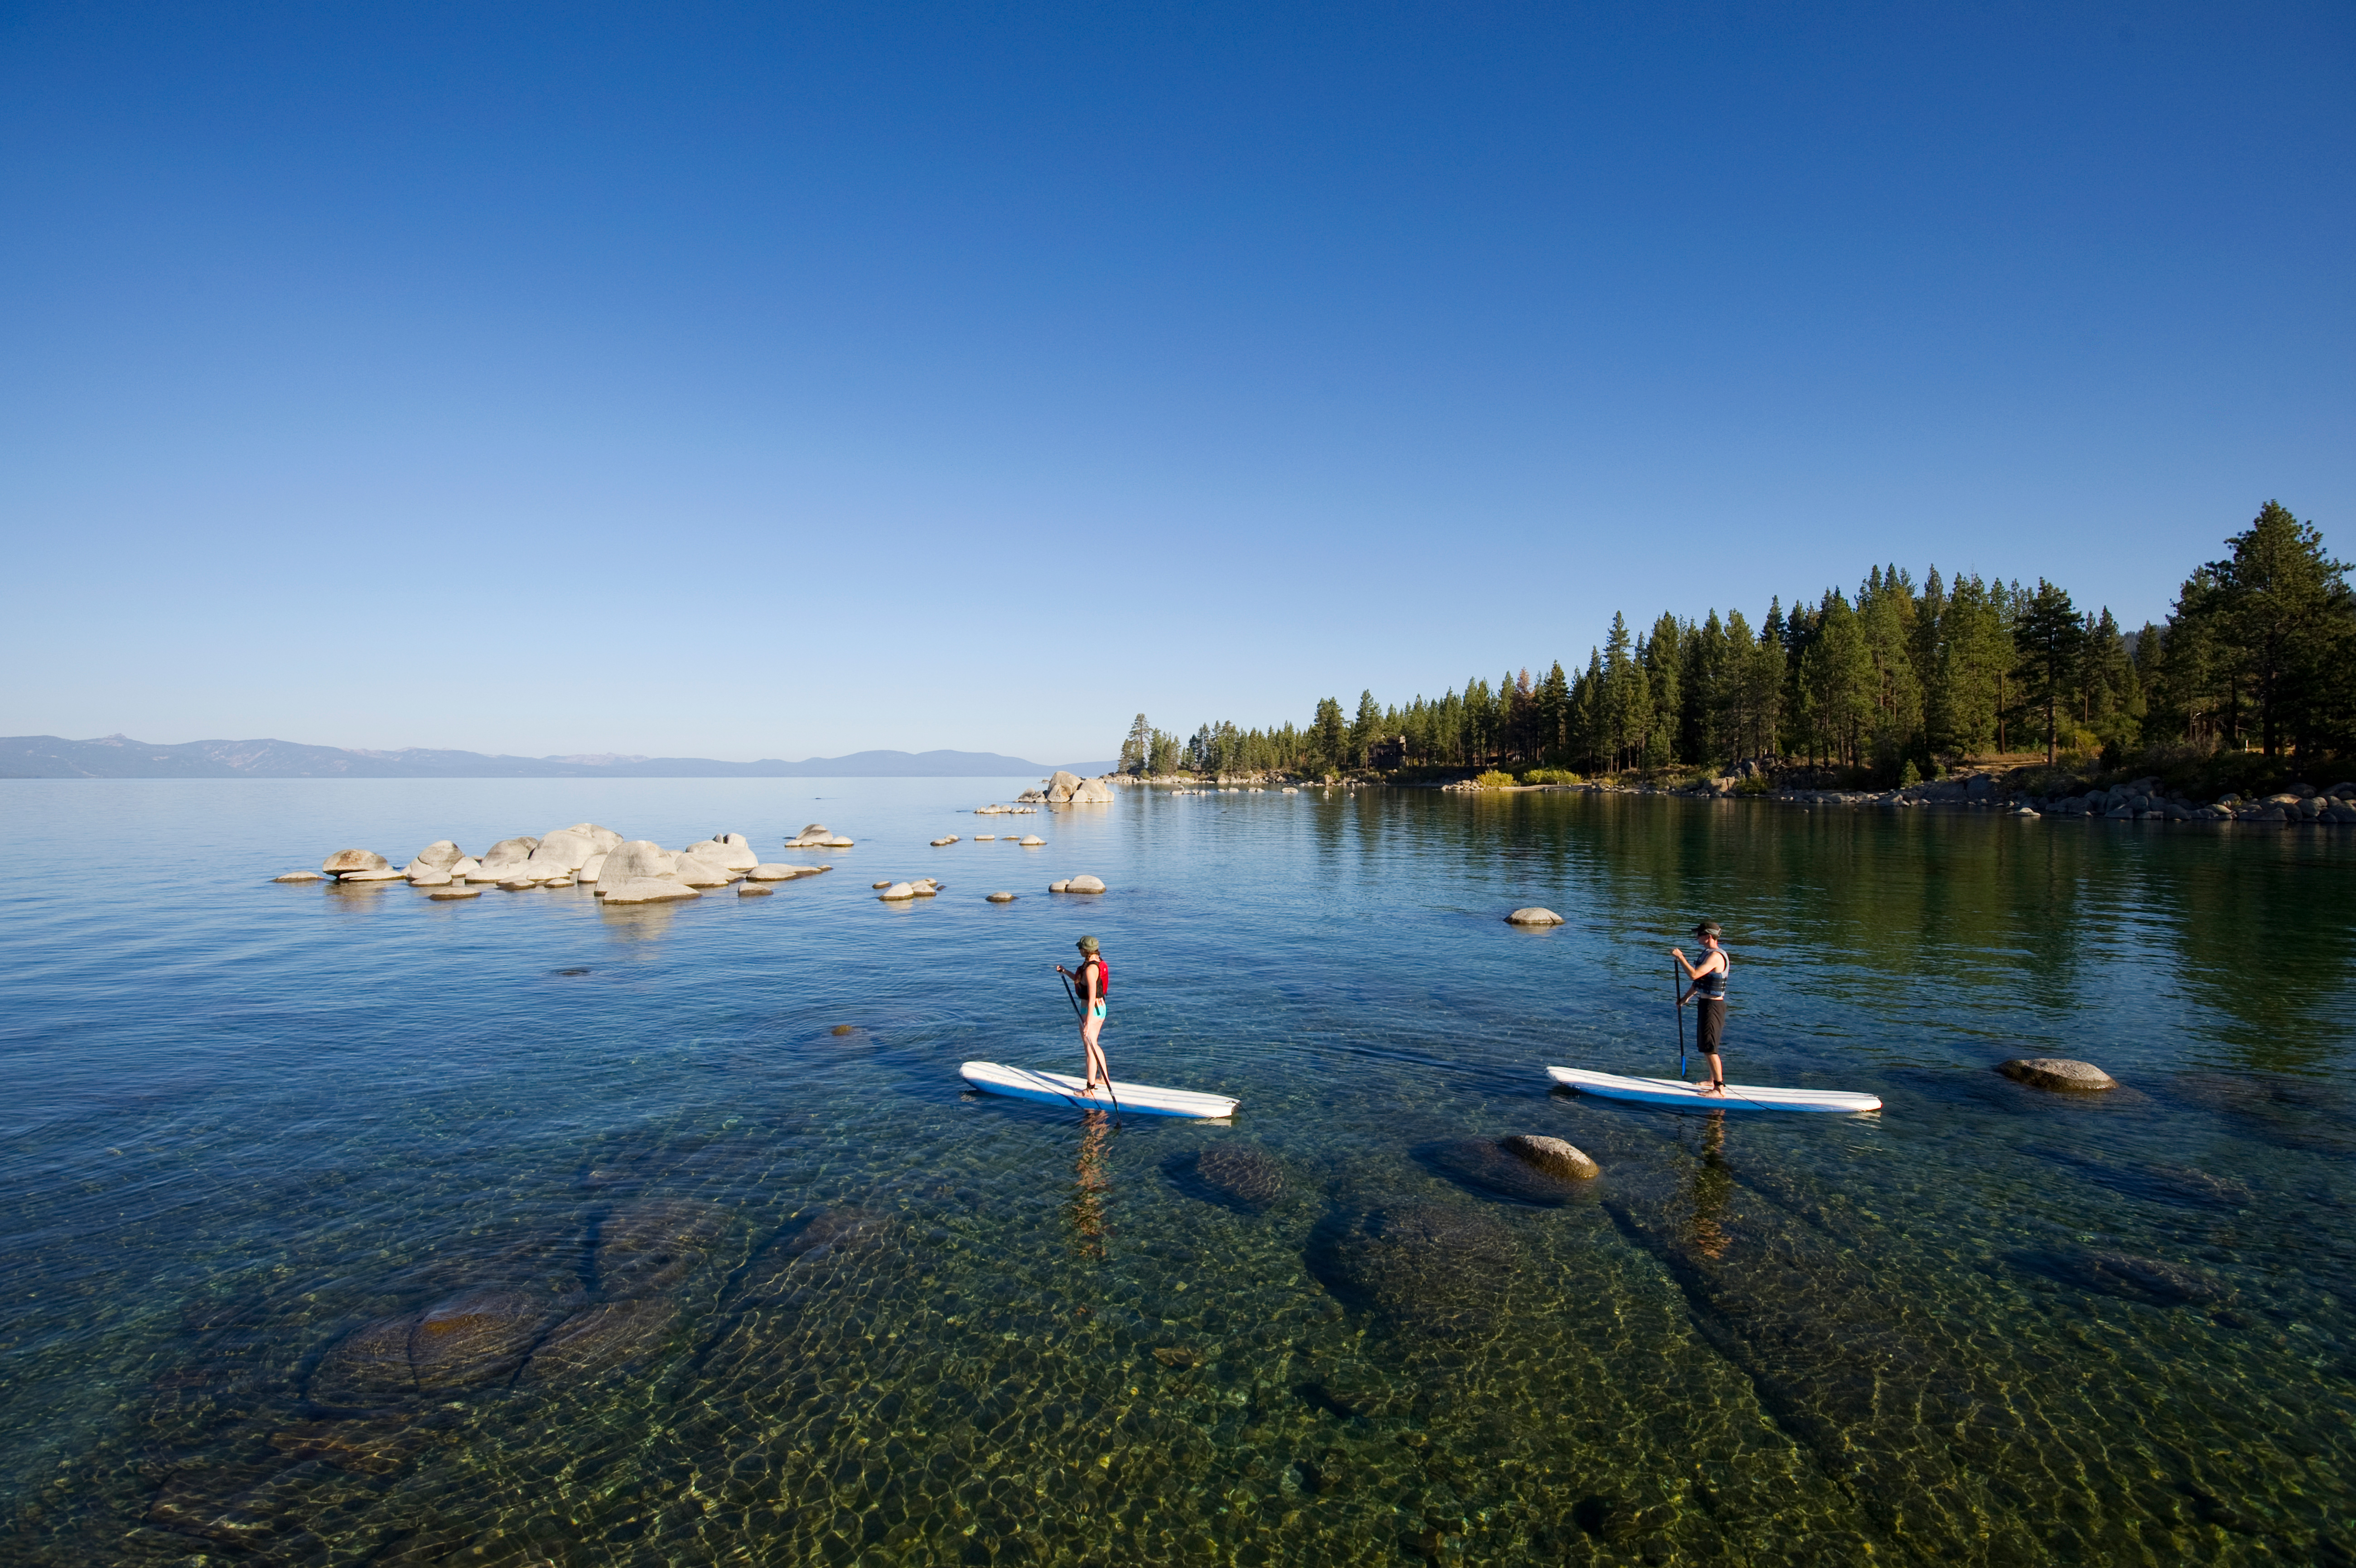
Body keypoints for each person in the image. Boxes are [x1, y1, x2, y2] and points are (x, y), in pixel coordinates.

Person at [1670, 920, 1731, 1095]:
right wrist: (1684, 999)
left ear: (1709, 936)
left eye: (1699, 934)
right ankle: (1712, 1080)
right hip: (1705, 1004)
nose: (1697, 936)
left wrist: (1681, 957)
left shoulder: (1715, 956)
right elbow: (1699, 983)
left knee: (1710, 1047)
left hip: (1714, 1006)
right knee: (1705, 1045)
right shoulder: (1707, 954)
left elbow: (1694, 974)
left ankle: (1719, 1088)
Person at [1055, 936, 1111, 1093]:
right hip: (1100, 1009)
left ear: (1085, 950)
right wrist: (1065, 972)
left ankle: (1089, 1089)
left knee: (1089, 1049)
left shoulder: (1091, 969)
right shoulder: (1096, 963)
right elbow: (1082, 981)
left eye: (1080, 948)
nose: (1079, 950)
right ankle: (1103, 1078)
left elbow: (1092, 994)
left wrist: (1087, 1023)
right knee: (1094, 1044)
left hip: (1091, 1012)